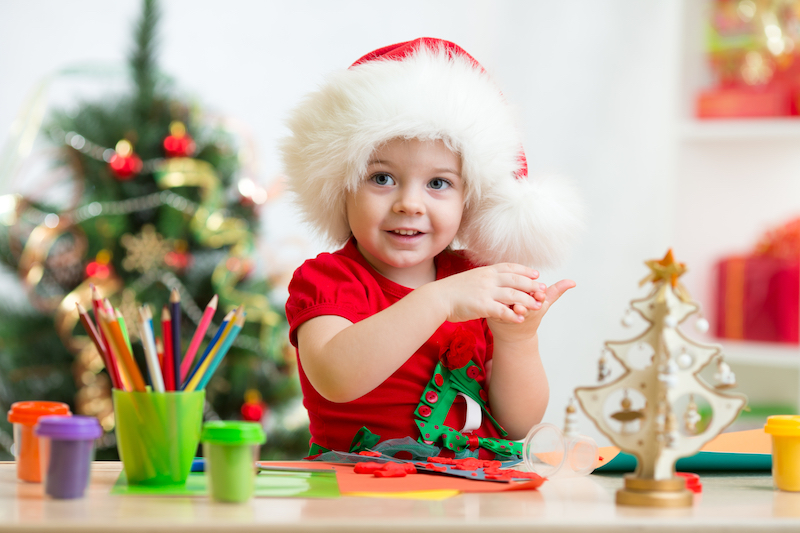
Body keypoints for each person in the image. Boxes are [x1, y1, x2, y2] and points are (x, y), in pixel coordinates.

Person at [281, 38, 582, 459]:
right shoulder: (329, 279)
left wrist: (517, 341)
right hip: (356, 492)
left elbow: (520, 423)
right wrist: (440, 300)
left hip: (466, 492)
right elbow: (335, 376)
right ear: (342, 186)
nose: (410, 203)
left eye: (438, 183)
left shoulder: (474, 280)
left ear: (469, 201)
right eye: (382, 178)